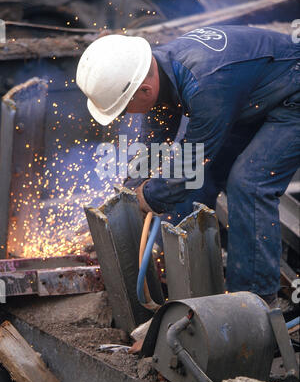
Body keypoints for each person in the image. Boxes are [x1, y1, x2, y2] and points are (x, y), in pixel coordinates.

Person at [76, 26, 300, 306]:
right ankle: (179, 273)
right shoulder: (157, 69)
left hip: (293, 98)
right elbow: (153, 143)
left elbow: (189, 165)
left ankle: (253, 302)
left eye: (122, 110)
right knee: (199, 181)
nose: (124, 117)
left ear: (144, 90)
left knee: (248, 183)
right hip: (254, 98)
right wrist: (128, 193)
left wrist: (148, 197)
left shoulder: (206, 84)